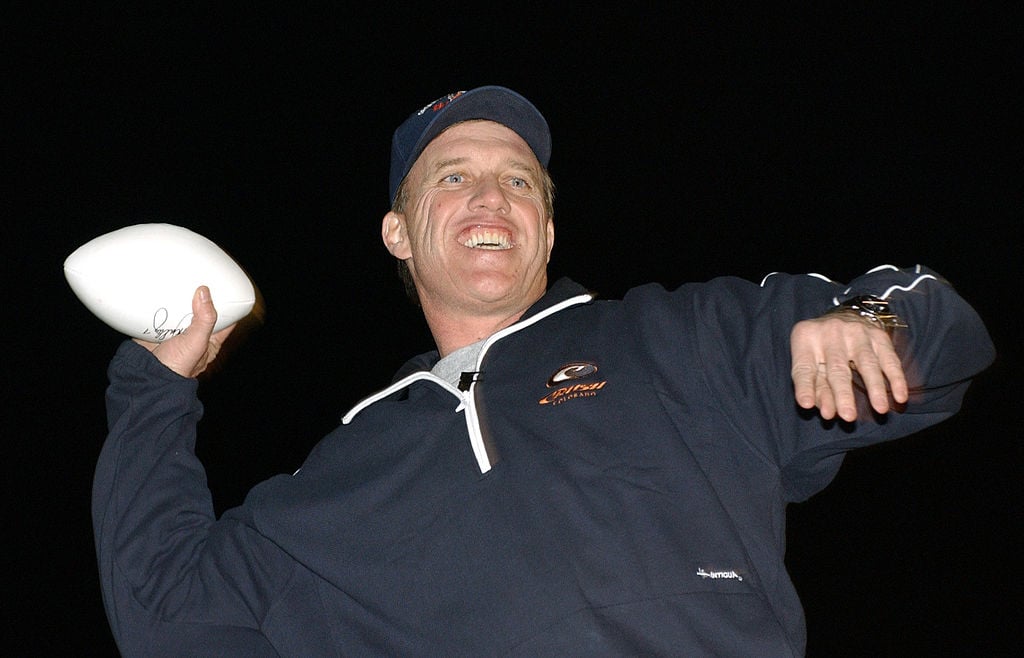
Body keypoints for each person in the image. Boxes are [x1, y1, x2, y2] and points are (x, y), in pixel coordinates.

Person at [93, 85, 994, 656]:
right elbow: (169, 611)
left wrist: (868, 320)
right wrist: (154, 388)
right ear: (398, 234)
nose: (491, 196)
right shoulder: (348, 472)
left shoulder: (680, 339)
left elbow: (940, 332)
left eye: (520, 181)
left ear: (549, 230)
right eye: (451, 178)